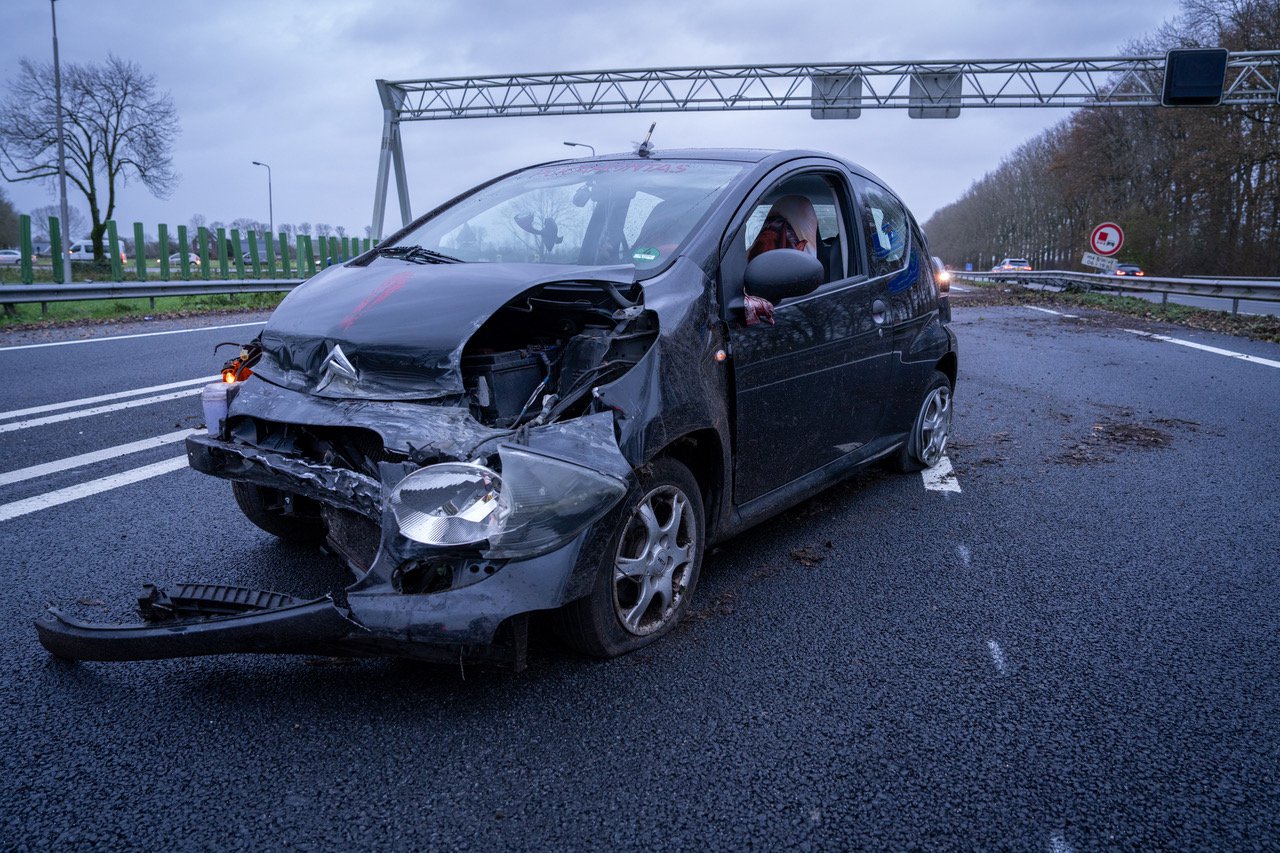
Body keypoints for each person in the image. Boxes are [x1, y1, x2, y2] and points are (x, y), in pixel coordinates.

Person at [743, 195, 819, 325]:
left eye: (780, 227)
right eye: (770, 224)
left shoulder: (803, 267)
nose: (769, 233)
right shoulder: (748, 256)